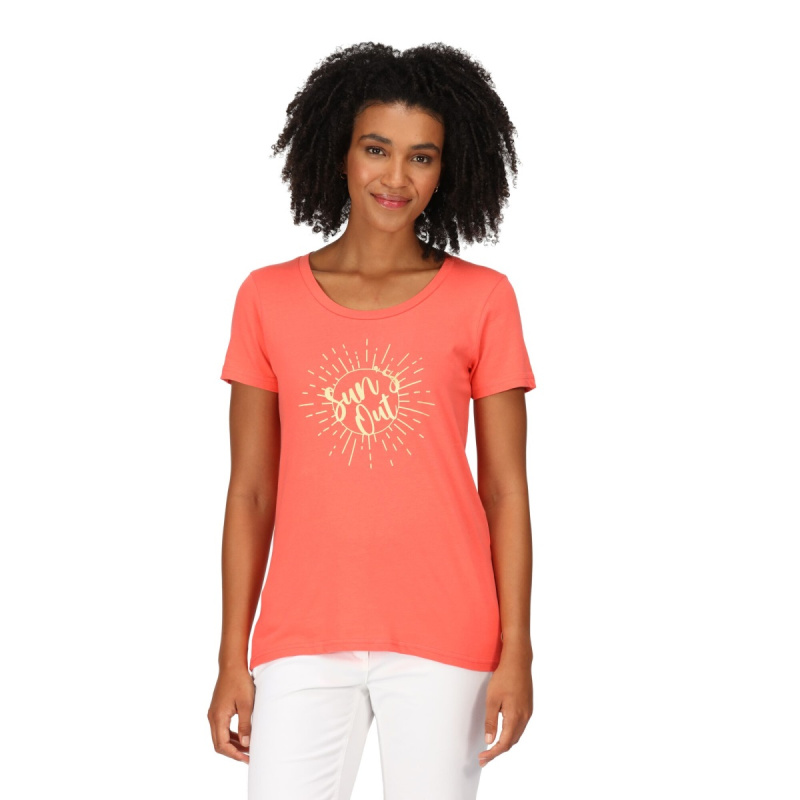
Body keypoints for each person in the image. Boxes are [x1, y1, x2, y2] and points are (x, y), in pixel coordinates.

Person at [208, 41, 536, 800]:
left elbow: (506, 491)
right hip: (300, 633)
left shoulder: (484, 299)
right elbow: (249, 492)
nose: (396, 178)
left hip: (447, 631)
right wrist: (231, 656)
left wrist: (517, 649)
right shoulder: (266, 298)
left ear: (448, 169)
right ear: (340, 153)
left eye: (422, 157)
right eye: (376, 149)